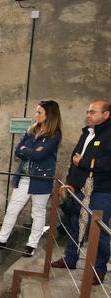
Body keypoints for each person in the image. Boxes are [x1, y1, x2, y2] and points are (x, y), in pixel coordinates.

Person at [0, 100, 62, 257]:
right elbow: (17, 150)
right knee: (12, 210)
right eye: (37, 112)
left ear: (49, 115)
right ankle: (1, 239)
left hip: (41, 179)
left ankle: (31, 245)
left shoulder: (54, 135)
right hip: (24, 177)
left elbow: (40, 154)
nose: (36, 115)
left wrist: (27, 150)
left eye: (39, 112)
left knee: (38, 212)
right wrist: (30, 150)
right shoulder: (32, 129)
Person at [52, 99, 111, 285]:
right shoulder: (87, 133)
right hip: (80, 188)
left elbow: (107, 163)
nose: (88, 115)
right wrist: (71, 183)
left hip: (102, 190)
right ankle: (70, 259)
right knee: (75, 223)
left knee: (98, 230)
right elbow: (74, 160)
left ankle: (99, 269)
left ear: (106, 115)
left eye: (93, 112)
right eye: (88, 111)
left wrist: (85, 163)